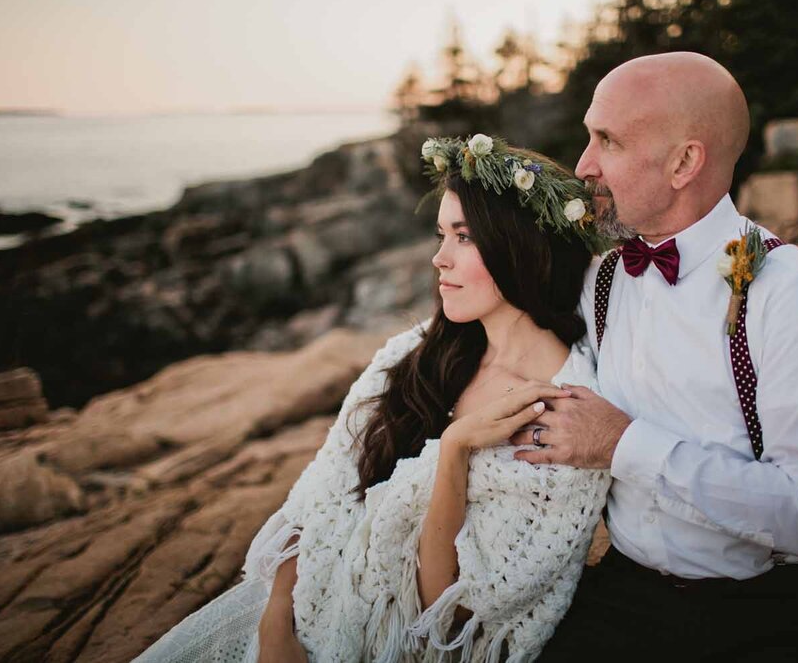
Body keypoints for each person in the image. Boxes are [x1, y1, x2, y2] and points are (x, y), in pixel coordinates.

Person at [132, 135, 612, 663]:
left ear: (521, 247)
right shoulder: (416, 354)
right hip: (294, 612)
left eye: (463, 238)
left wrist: (454, 452)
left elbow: (441, 614)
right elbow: (322, 495)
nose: (438, 258)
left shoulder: (565, 417)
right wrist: (275, 624)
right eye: (439, 235)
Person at [515, 52, 798, 662]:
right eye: (587, 137)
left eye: (608, 142)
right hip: (625, 595)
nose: (583, 166)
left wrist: (624, 444)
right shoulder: (603, 278)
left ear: (684, 163)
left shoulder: (792, 292)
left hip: (767, 612)